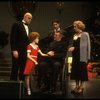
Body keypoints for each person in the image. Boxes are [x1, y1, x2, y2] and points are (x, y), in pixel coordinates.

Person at [68, 20, 91, 94]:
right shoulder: (74, 35)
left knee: (82, 72)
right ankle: (77, 86)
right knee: (75, 71)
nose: (74, 28)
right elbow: (73, 45)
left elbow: (88, 46)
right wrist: (71, 47)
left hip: (83, 56)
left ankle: (81, 86)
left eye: (75, 26)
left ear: (79, 26)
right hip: (75, 56)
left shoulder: (85, 34)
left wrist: (88, 57)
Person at [10, 12, 33, 81]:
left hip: (25, 52)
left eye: (31, 19)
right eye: (29, 18)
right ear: (25, 17)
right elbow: (13, 38)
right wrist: (14, 50)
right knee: (15, 68)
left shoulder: (30, 28)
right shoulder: (17, 24)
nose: (30, 20)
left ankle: (21, 86)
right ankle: (12, 86)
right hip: (17, 51)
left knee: (23, 69)